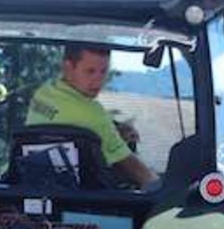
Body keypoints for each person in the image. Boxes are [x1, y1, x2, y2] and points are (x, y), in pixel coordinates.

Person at [25, 46, 158, 190]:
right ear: (68, 68)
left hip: (31, 184)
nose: (98, 80)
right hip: (83, 195)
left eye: (103, 71)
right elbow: (137, 170)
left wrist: (114, 133)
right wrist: (159, 187)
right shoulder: (93, 114)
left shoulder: (43, 93)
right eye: (90, 71)